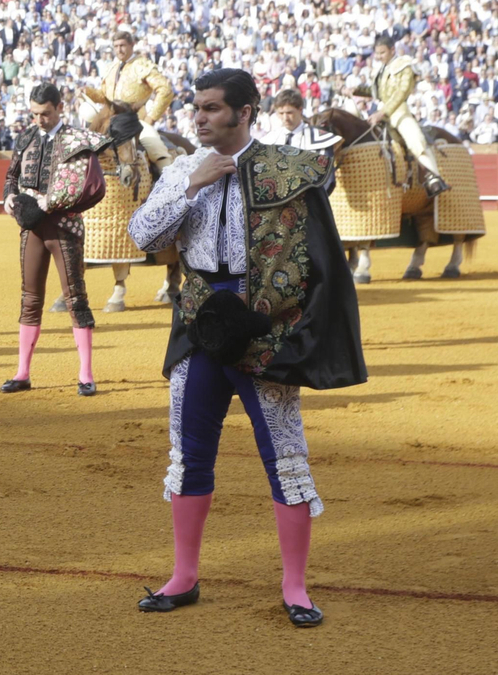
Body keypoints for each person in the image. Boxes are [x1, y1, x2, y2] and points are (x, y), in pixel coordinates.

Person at [128, 68, 366, 627]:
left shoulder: (289, 169)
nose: (200, 117)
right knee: (188, 455)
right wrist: (193, 185)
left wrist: (281, 315)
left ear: (245, 112)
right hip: (199, 323)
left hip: (264, 327)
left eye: (212, 108)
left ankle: (295, 586)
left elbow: (313, 257)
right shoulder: (183, 169)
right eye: (197, 107)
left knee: (286, 458)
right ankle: (183, 576)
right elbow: (143, 236)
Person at [0, 83, 108, 396]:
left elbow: (91, 186)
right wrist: (8, 197)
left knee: (76, 298)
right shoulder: (26, 137)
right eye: (35, 114)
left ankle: (86, 374)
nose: (39, 120)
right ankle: (22, 373)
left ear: (60, 108)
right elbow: (11, 176)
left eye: (45, 113)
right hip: (32, 228)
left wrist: (50, 202)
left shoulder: (76, 139)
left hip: (64, 227)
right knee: (30, 298)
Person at [352, 35, 450, 195]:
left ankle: (433, 176)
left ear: (392, 50)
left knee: (415, 138)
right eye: (377, 53)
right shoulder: (381, 70)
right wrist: (356, 90)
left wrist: (382, 112)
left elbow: (401, 92)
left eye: (382, 53)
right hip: (380, 111)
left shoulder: (404, 66)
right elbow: (378, 92)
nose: (379, 57)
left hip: (399, 112)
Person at [83, 28, 175, 166]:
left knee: (156, 148)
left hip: (135, 119)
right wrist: (87, 92)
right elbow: (105, 96)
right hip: (110, 119)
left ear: (132, 45)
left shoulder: (143, 65)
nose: (119, 50)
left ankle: (168, 177)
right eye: (116, 46)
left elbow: (165, 90)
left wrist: (151, 117)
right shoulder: (112, 67)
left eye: (122, 45)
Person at [260, 89, 340, 191]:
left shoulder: (320, 139)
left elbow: (327, 180)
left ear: (300, 110)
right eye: (281, 113)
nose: (285, 118)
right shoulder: (269, 140)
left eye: (289, 113)